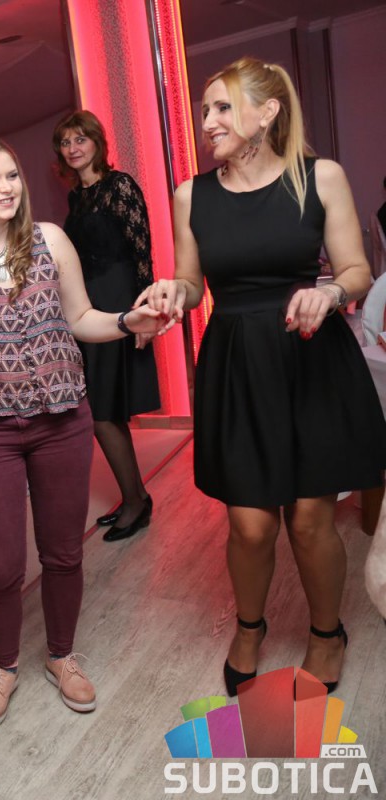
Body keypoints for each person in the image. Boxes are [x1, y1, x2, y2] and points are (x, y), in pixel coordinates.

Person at [138, 57, 386, 696]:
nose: (207, 122)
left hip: (311, 357)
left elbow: (357, 269)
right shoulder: (191, 195)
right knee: (250, 524)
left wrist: (329, 292)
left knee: (309, 520)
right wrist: (171, 292)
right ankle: (250, 627)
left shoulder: (319, 177)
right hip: (238, 364)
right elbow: (192, 283)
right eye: (204, 111)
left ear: (267, 111)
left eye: (221, 108)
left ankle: (327, 634)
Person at [0, 136, 167, 730]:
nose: (7, 188)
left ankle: (61, 655)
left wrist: (127, 319)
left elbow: (81, 317)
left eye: (12, 176)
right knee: (1, 565)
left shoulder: (50, 239)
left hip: (61, 418)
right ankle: (4, 665)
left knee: (63, 553)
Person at [53, 110, 161, 541]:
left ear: (97, 142)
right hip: (87, 307)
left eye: (80, 139)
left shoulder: (120, 186)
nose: (73, 148)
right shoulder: (76, 198)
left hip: (118, 301)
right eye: (65, 142)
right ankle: (135, 496)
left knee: (103, 413)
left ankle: (136, 502)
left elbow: (142, 253)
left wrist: (145, 313)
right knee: (105, 411)